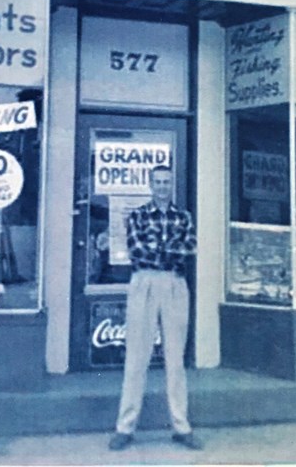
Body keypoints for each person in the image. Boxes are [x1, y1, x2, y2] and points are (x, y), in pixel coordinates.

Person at [108, 164, 203, 451]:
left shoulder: (183, 216)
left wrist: (160, 250)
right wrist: (168, 249)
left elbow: (190, 248)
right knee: (137, 356)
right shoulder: (137, 215)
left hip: (174, 284)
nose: (162, 186)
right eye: (158, 182)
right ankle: (125, 427)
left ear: (171, 185)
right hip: (144, 283)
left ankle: (181, 427)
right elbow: (137, 250)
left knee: (175, 359)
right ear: (150, 185)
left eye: (166, 182)